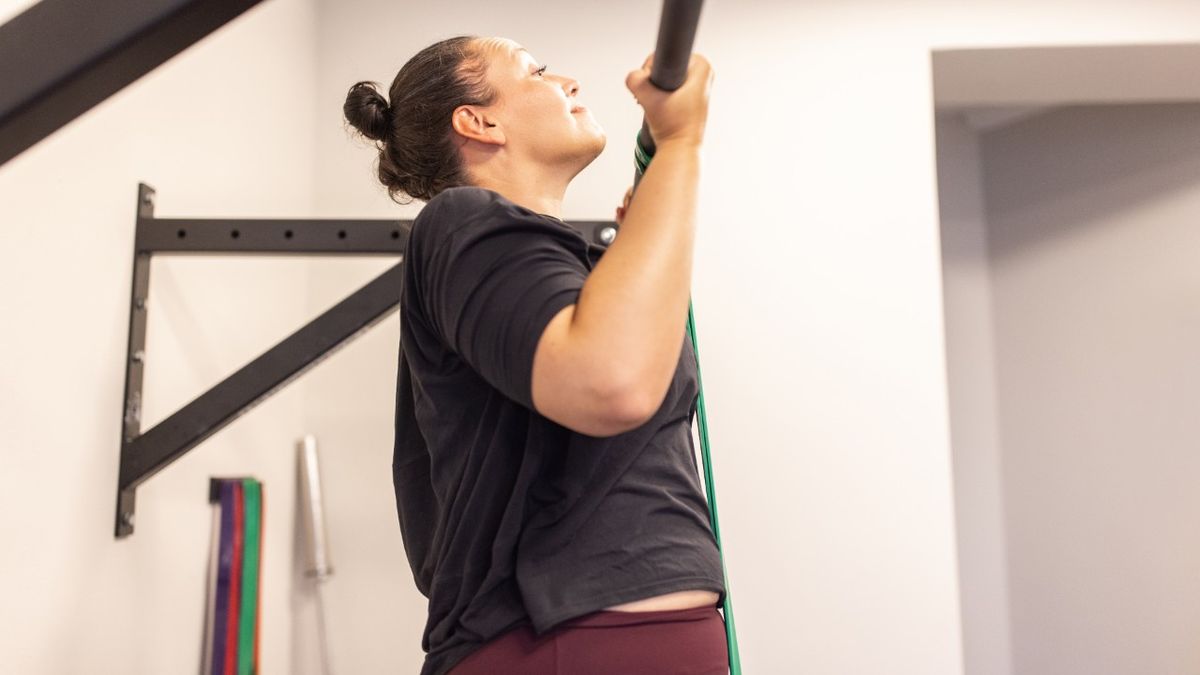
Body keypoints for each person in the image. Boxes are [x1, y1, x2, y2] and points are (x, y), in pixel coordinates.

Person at [343, 35, 722, 675]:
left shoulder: (572, 275)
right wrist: (681, 146)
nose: (568, 80)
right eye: (538, 71)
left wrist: (631, 261)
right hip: (557, 642)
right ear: (478, 120)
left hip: (644, 634)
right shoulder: (461, 221)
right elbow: (612, 384)